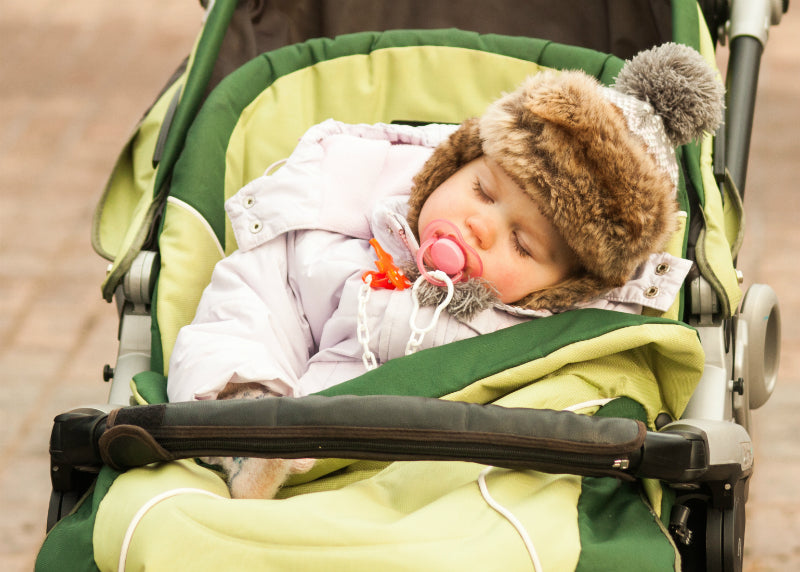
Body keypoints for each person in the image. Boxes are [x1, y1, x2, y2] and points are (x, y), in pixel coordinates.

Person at [167, 43, 724, 498]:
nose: (480, 225)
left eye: (522, 246)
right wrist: (254, 401)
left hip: (442, 488)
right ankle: (244, 438)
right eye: (482, 191)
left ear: (562, 290)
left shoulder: (549, 338)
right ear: (453, 162)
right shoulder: (341, 238)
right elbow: (255, 305)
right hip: (286, 439)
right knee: (251, 312)